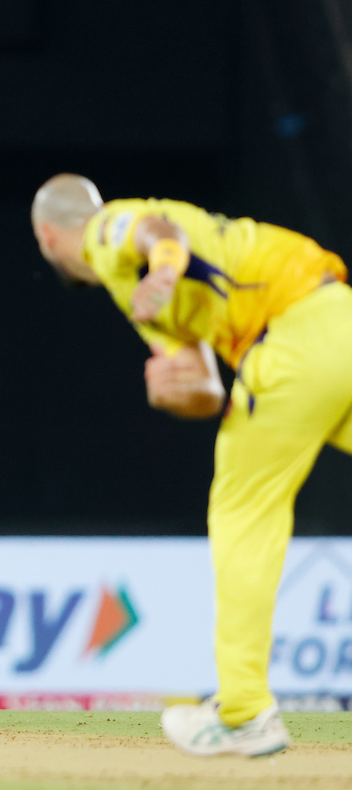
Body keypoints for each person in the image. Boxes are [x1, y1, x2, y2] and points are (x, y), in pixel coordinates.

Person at [32, 174, 352, 757]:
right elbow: (206, 388)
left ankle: (245, 711)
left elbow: (162, 234)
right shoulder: (129, 284)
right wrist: (170, 392)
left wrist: (163, 269)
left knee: (243, 513)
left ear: (49, 238)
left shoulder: (109, 230)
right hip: (337, 321)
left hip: (292, 338)